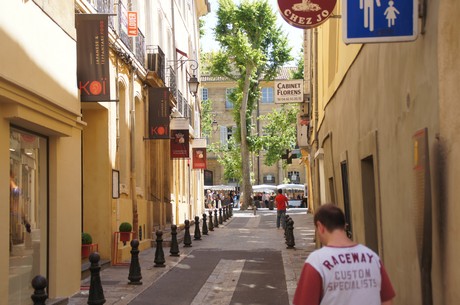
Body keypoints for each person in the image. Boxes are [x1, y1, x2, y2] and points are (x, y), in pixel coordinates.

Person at [293, 203, 395, 305]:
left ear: (320, 226)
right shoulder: (372, 257)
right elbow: (387, 301)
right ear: (344, 225)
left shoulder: (316, 262)